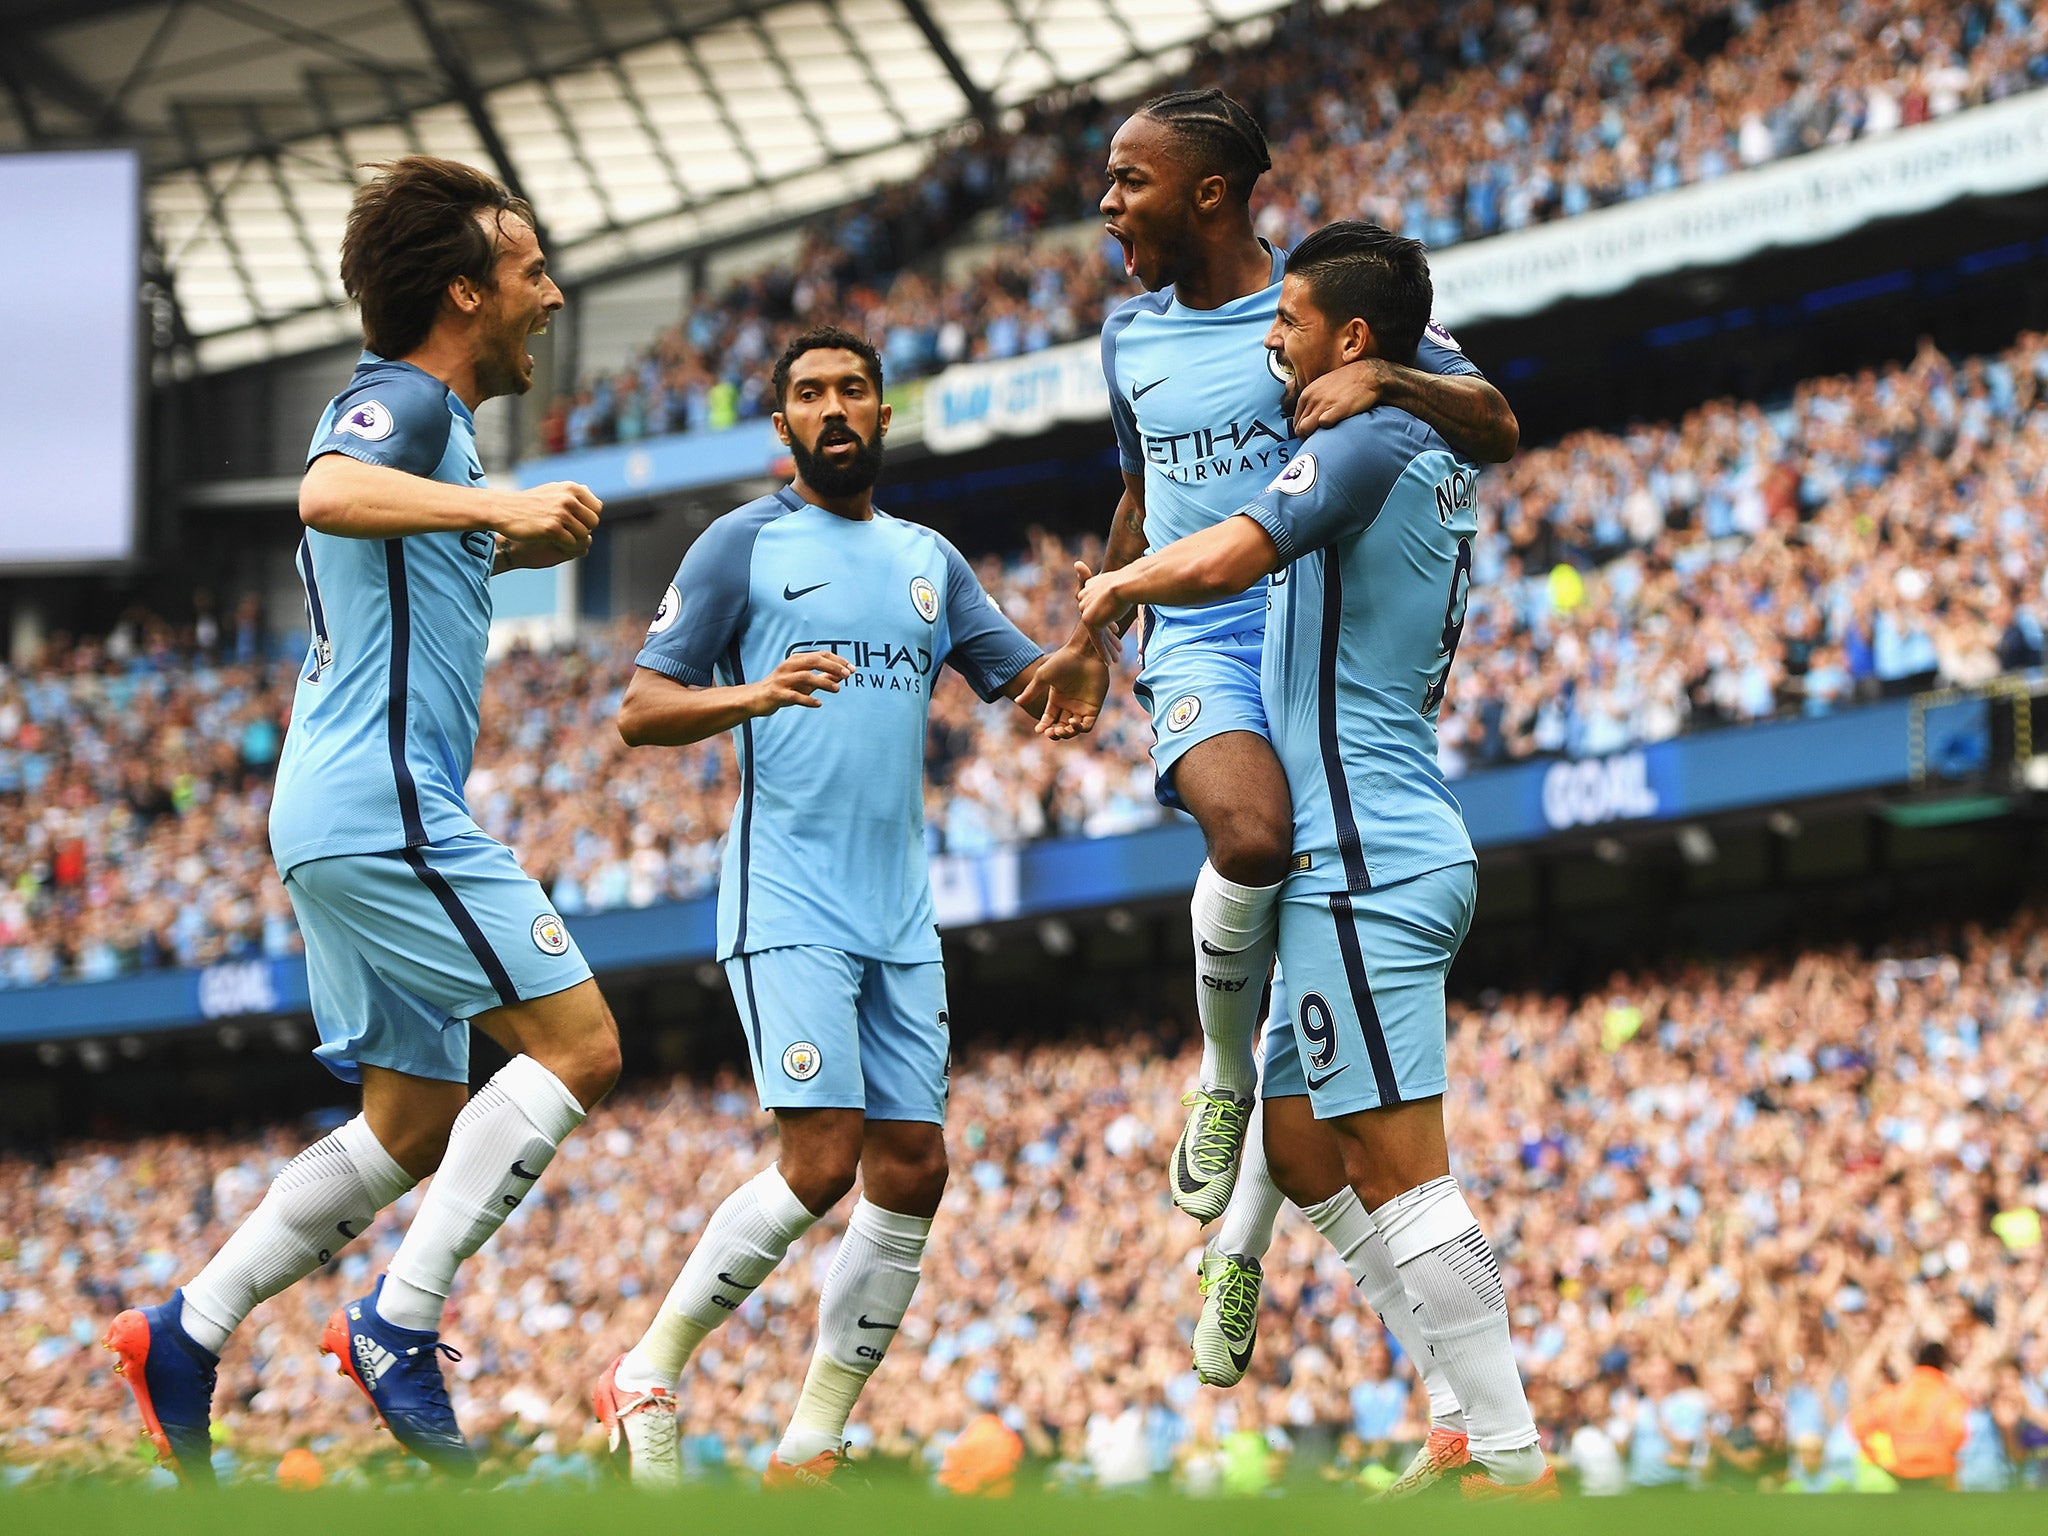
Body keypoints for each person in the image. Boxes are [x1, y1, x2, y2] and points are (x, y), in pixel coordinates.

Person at [103, 156, 622, 1483]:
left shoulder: (437, 438)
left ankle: (187, 1330)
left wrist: (496, 541)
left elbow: (377, 543)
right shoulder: (403, 401)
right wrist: (494, 505)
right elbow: (329, 493)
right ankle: (400, 1323)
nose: (551, 296)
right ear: (463, 291)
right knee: (580, 1046)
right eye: (528, 272)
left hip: (339, 808)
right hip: (384, 802)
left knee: (411, 1118)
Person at [1083, 86, 1518, 1494]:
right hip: (1372, 826)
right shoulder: (1333, 411)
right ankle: (1402, 1375)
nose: (1272, 352)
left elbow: (1225, 551)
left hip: (1366, 842)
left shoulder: (1367, 434)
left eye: (1294, 334)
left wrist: (1100, 601)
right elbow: (1159, 491)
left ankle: (1508, 1461)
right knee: (1304, 1143)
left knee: (1403, 1170)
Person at [588, 326, 1106, 1488]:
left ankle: (812, 1441)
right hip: (789, 896)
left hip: (897, 912)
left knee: (912, 1167)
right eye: (810, 394)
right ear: (782, 424)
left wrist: (1084, 651)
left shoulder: (930, 559)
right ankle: (648, 1367)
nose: (833, 408)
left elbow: (1024, 681)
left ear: (882, 413)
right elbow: (638, 709)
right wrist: (753, 692)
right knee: (821, 1158)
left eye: (853, 391)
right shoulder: (742, 546)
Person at [1848, 1341, 1971, 1489]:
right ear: (1944, 1365)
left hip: (1901, 1477)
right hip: (1938, 1478)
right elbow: (1957, 1435)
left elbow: (1858, 1425)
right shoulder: (1950, 1396)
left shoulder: (1894, 1395)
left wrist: (1878, 1456)